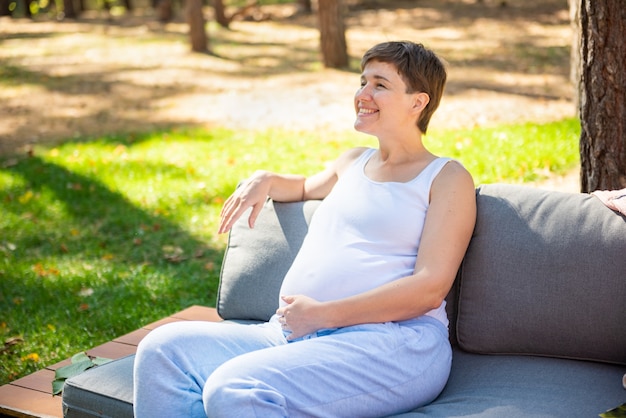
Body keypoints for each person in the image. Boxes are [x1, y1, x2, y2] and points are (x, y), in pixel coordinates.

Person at [133, 40, 477, 417]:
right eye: (362, 81)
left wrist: (324, 314)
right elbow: (302, 187)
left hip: (394, 343)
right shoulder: (353, 162)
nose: (362, 94)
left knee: (235, 389)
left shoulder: (445, 177)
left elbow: (429, 287)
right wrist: (264, 179)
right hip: (294, 334)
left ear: (418, 102)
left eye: (380, 84)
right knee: (163, 349)